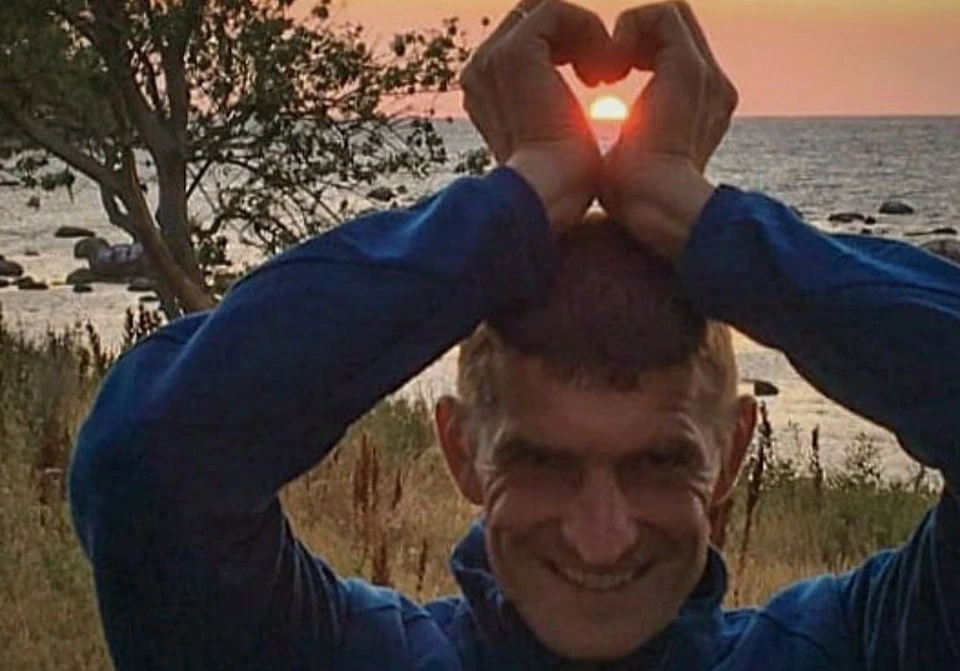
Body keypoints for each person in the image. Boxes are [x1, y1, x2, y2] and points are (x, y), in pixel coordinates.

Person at [68, 0, 960, 668]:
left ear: (730, 452)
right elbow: (149, 462)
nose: (602, 537)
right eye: (541, 462)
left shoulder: (859, 647)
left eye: (659, 462)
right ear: (461, 448)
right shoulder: (338, 652)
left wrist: (692, 213)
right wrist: (523, 200)